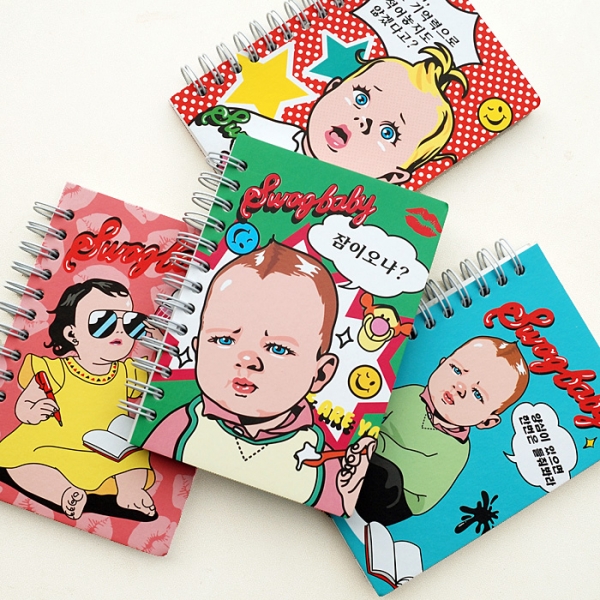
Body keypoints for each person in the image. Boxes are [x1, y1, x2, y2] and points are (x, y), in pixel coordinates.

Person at [167, 240, 375, 515]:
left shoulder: (319, 454)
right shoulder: (183, 424)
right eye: (224, 339)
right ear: (197, 349)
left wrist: (345, 496)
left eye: (278, 348)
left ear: (320, 373)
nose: (247, 359)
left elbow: (336, 503)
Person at [191, 43, 467, 184]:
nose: (363, 121)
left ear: (393, 177)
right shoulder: (250, 132)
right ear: (331, 89)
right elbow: (208, 125)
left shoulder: (354, 218)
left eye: (388, 132)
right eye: (361, 98)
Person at [0, 279, 156, 520]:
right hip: (51, 444)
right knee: (25, 466)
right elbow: (25, 405)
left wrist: (158, 339)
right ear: (72, 333)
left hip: (104, 450)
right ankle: (64, 493)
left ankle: (130, 492)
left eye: (130, 323)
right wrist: (32, 411)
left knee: (136, 458)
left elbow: (157, 382)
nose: (119, 331)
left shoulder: (128, 372)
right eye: (102, 321)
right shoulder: (55, 370)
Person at [355, 336, 530, 525]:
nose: (460, 386)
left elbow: (419, 478)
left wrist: (373, 445)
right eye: (456, 370)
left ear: (487, 422)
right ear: (442, 363)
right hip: (368, 455)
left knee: (385, 474)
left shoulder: (457, 448)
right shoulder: (412, 393)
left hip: (400, 495)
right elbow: (373, 415)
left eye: (477, 393)